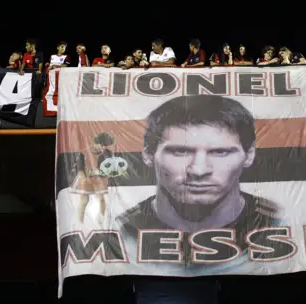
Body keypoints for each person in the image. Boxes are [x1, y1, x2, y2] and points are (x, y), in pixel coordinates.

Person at [116, 95, 281, 256]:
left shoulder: (282, 221)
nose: (198, 171)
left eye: (220, 152)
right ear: (148, 155)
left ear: (249, 154)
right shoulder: (119, 229)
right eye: (180, 151)